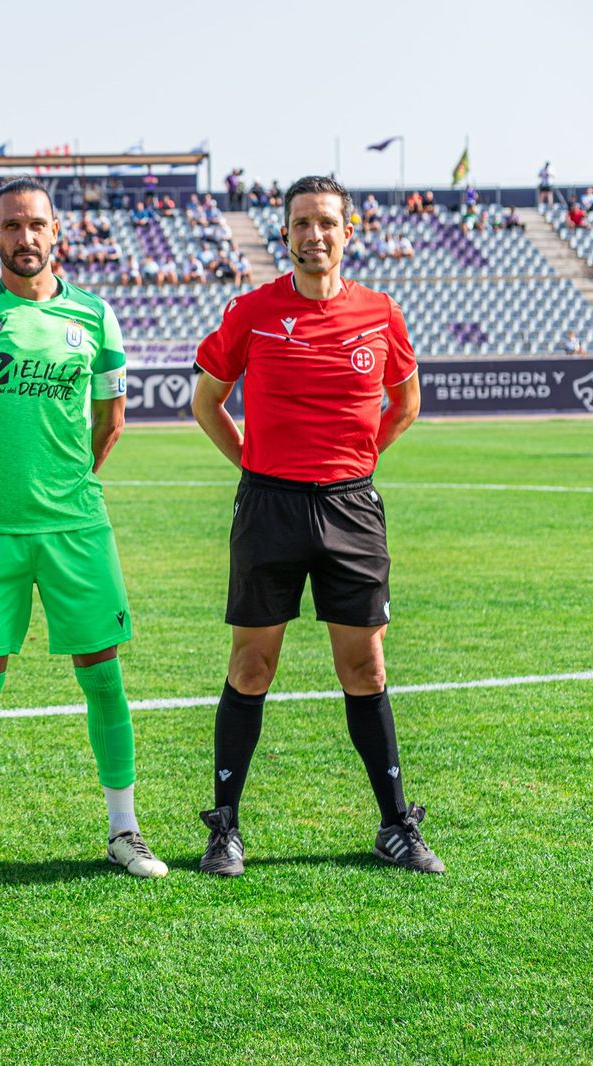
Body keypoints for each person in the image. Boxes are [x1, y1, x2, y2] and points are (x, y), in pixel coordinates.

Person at [189, 174, 441, 877]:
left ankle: (395, 825)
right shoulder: (253, 311)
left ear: (347, 232)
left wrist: (358, 461)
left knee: (365, 667)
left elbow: (406, 402)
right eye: (301, 223)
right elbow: (207, 402)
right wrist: (252, 463)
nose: (314, 234)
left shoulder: (380, 312)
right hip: (268, 505)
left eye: (326, 222)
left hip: (351, 507)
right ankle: (225, 827)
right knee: (252, 665)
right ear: (287, 233)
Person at [0, 177, 167, 884]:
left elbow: (110, 420)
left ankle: (125, 830)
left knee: (104, 679)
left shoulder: (95, 316)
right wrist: (0, 480)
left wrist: (61, 481)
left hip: (76, 529)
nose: (25, 237)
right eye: (11, 226)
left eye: (37, 225)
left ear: (56, 233)